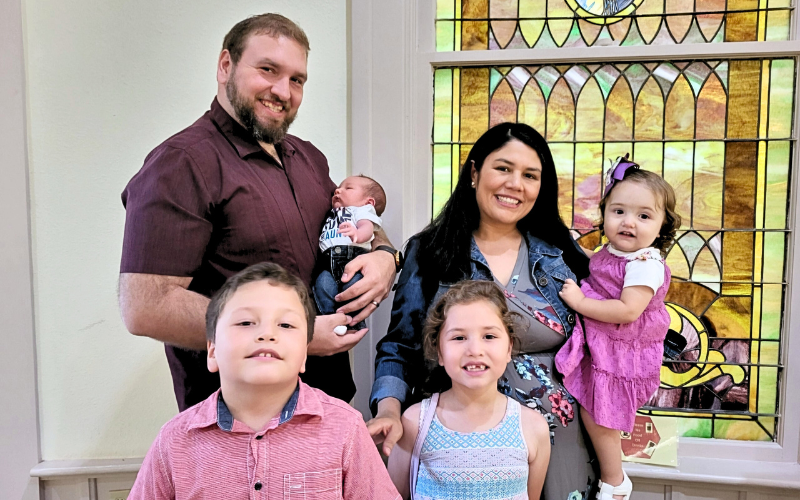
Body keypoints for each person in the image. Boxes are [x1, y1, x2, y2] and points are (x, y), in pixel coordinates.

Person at [118, 13, 400, 410]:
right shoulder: (180, 164)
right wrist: (296, 334)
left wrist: (387, 256)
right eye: (268, 70)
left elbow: (359, 217)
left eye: (297, 79)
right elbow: (146, 307)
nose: (283, 90)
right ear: (225, 66)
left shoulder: (308, 159)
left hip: (326, 407)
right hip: (236, 424)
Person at [368, 122, 598, 500]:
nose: (515, 184)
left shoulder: (563, 256)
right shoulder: (430, 252)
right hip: (459, 447)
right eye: (503, 168)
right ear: (474, 173)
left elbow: (604, 346)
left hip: (562, 443)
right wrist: (390, 411)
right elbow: (401, 347)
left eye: (530, 175)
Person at [128, 263, 401, 499]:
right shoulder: (174, 441)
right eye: (246, 322)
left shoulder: (346, 428)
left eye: (286, 325)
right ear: (212, 351)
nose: (267, 334)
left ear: (305, 354)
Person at [554, 156, 680, 500]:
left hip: (626, 349)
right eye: (618, 211)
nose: (629, 222)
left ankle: (616, 480)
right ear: (605, 212)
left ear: (661, 226)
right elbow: (601, 267)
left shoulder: (646, 264)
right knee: (591, 407)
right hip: (607, 340)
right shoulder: (615, 251)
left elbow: (627, 310)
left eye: (643, 216)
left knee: (600, 414)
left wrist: (579, 303)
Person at [387, 280, 550, 500]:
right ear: (440, 352)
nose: (475, 350)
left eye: (489, 336)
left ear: (509, 347)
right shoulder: (414, 422)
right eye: (459, 337)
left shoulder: (533, 428)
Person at [315, 175, 387, 332]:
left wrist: (358, 234)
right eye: (338, 187)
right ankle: (330, 320)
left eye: (348, 188)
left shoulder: (361, 210)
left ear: (368, 202)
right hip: (328, 262)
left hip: (351, 259)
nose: (337, 190)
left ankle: (352, 321)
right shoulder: (333, 213)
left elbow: (367, 228)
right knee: (323, 285)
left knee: (353, 287)